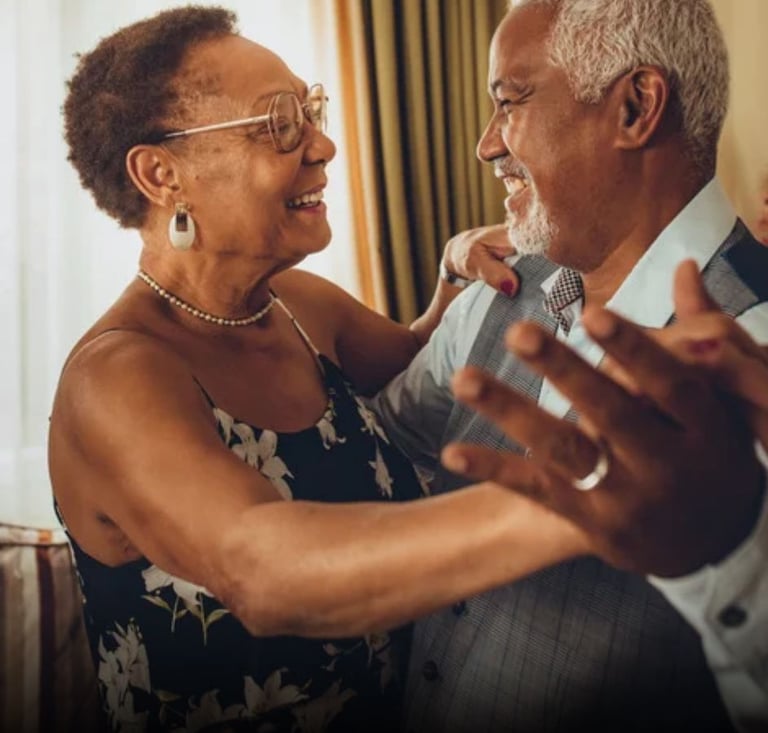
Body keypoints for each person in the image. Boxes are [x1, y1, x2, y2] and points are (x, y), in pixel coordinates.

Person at [48, 7, 587, 733]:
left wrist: (455, 269)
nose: (324, 144)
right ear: (160, 174)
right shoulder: (115, 379)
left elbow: (438, 378)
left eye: (311, 111)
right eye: (278, 123)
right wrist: (587, 502)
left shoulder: (300, 307)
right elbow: (263, 570)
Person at [371, 0, 768, 731]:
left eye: (509, 102)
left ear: (635, 108)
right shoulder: (495, 293)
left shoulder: (756, 344)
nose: (487, 145)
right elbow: (382, 439)